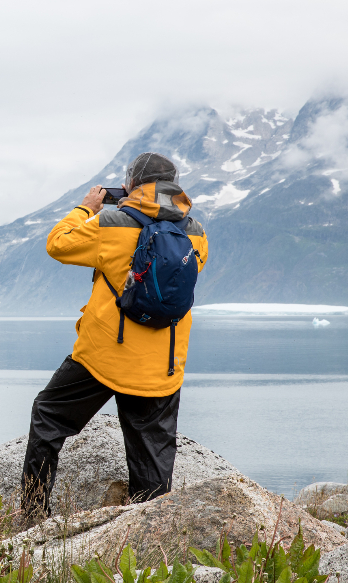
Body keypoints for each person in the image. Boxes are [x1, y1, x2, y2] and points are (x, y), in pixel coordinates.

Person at [20, 152, 209, 516]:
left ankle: (32, 514)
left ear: (131, 184)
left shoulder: (112, 222)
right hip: (162, 366)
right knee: (151, 455)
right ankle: (147, 538)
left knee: (49, 416)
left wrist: (85, 208)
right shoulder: (196, 233)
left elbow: (58, 244)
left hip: (104, 355)